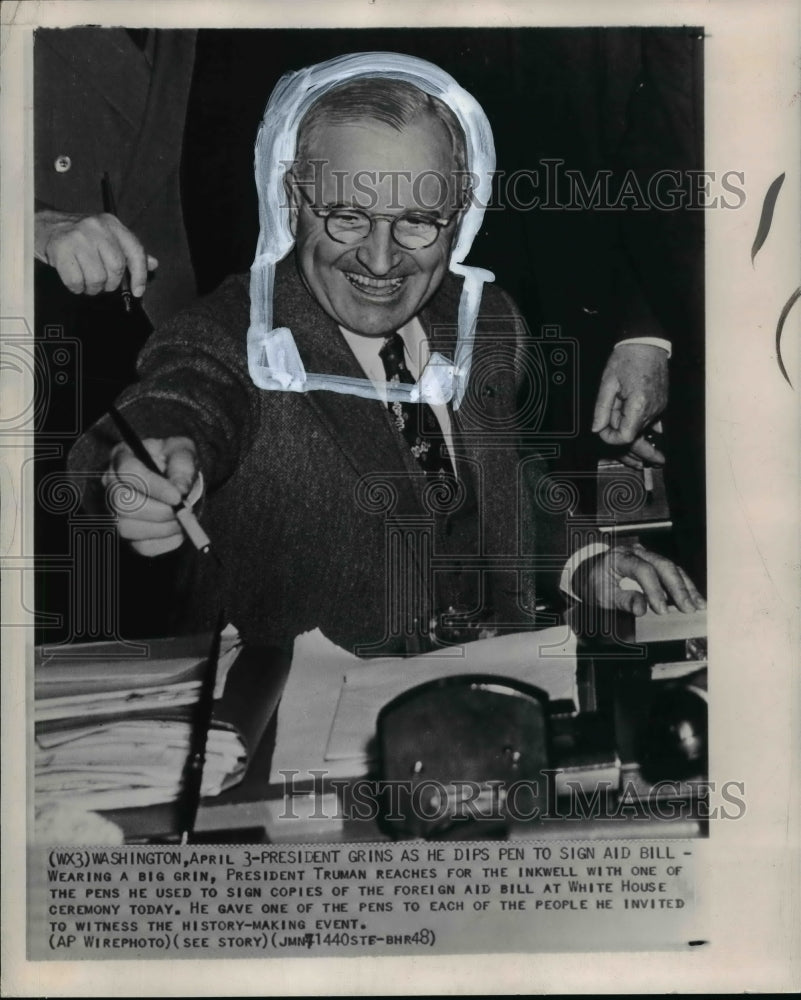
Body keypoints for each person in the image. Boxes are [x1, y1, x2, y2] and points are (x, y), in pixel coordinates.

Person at [68, 53, 704, 656]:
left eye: (418, 222)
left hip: (485, 711)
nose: (380, 259)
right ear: (293, 199)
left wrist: (584, 559)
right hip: (285, 744)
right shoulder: (230, 333)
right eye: (346, 216)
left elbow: (496, 486)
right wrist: (143, 468)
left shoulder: (487, 324)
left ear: (460, 215)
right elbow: (179, 402)